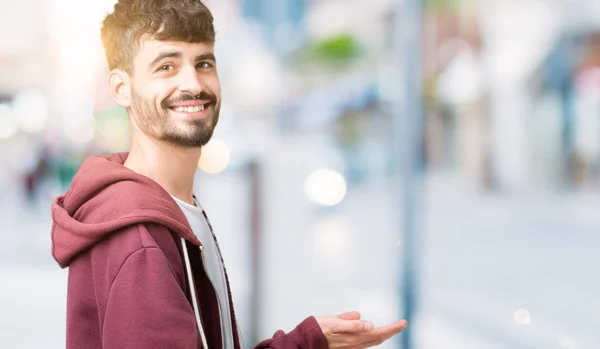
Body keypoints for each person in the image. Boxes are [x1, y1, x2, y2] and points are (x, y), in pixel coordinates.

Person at [50, 1, 408, 348]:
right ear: (120, 88)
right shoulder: (140, 239)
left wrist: (307, 343)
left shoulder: (170, 208)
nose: (192, 83)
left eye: (203, 63)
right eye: (166, 67)